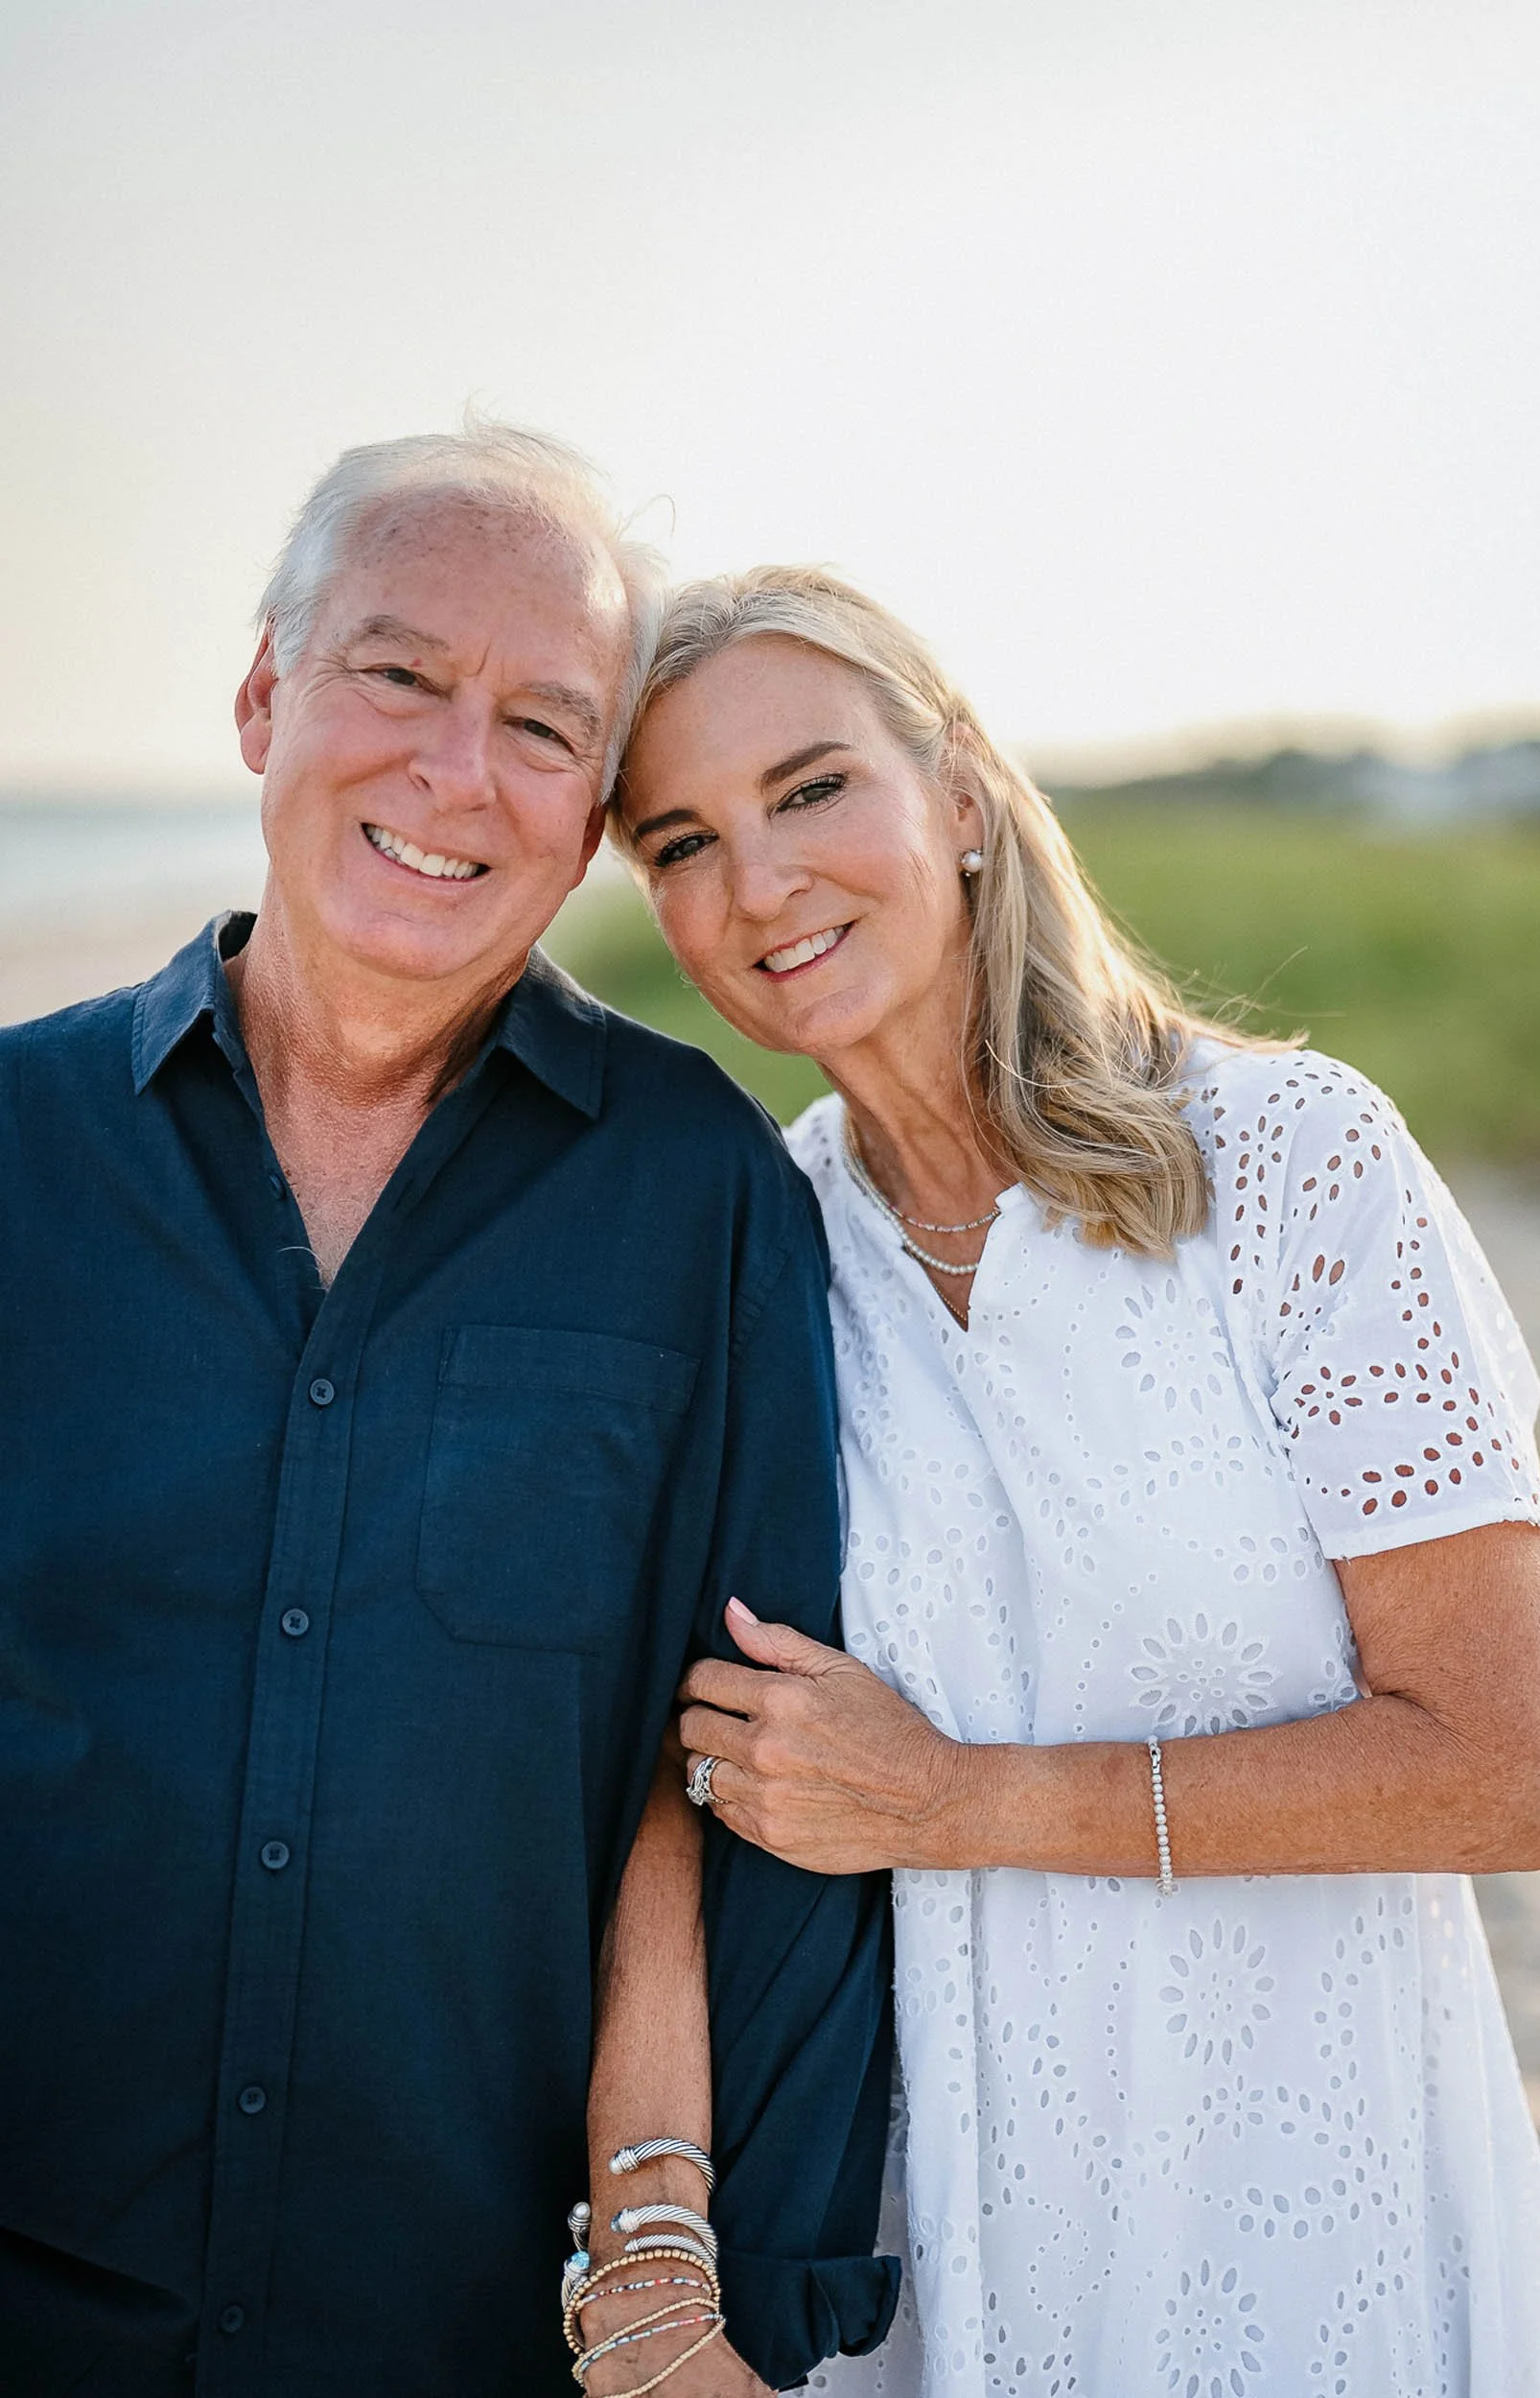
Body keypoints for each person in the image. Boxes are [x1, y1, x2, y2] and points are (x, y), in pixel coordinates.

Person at [613, 566, 1540, 2396]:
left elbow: (1508, 1769)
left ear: (960, 792)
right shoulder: (757, 1251)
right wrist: (653, 2276)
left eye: (811, 788)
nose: (757, 884)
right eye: (678, 838)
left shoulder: (1289, 1163)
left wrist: (952, 1799)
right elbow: (667, 1775)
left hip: (1318, 2186)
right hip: (940, 2228)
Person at [0, 438, 897, 2398]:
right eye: (397, 675)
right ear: (264, 698)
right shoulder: (10, 1149)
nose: (453, 771)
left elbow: (741, 1768)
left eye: (541, 724)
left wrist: (720, 2277)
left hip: (480, 2324)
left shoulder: (701, 1193)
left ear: (586, 812)